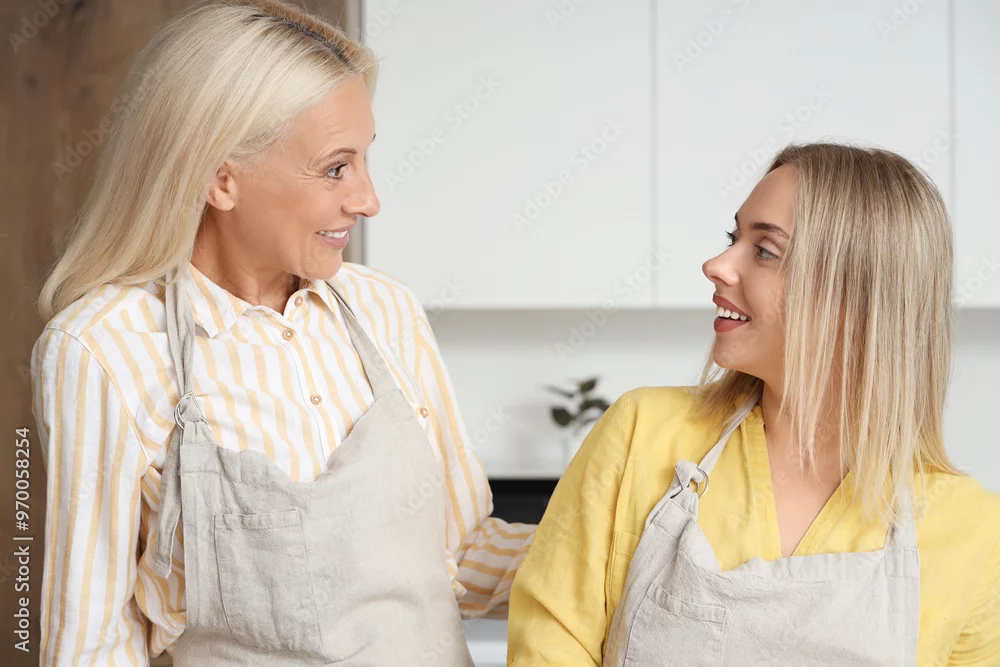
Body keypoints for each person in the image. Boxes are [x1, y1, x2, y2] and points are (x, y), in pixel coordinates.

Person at [30, 1, 533, 665]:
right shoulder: (103, 348)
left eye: (365, 160)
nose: (368, 199)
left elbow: (459, 551)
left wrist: (616, 545)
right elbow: (91, 642)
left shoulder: (386, 310)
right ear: (221, 178)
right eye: (335, 168)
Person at [506, 143, 1000, 666]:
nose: (715, 265)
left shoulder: (973, 529)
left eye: (764, 250)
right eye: (733, 239)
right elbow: (548, 647)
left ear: (857, 296)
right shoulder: (640, 434)